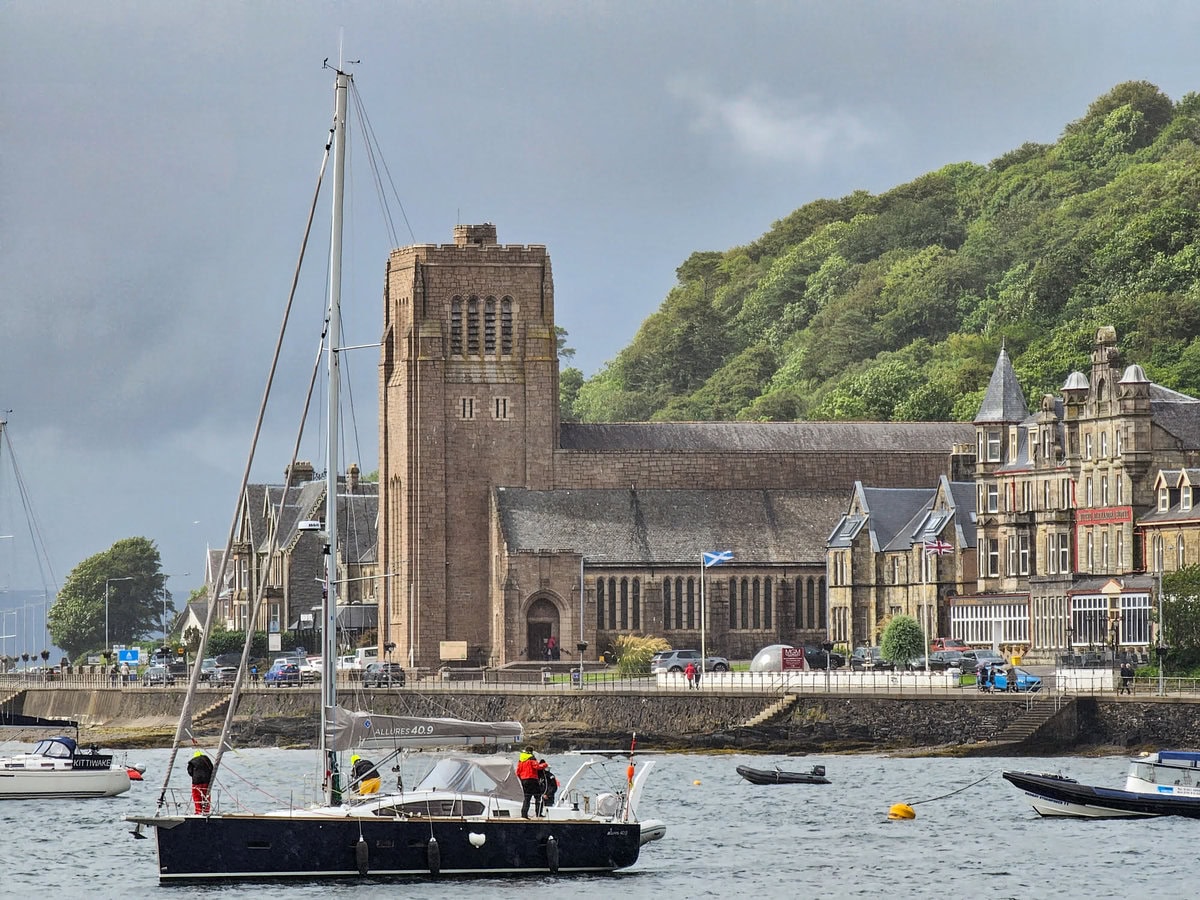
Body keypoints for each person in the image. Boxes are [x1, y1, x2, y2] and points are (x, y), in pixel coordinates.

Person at [516, 747, 548, 818]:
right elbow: (537, 767)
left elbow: (517, 772)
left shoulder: (521, 760)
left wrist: (522, 780)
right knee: (538, 796)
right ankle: (538, 813)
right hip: (532, 779)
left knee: (527, 798)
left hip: (524, 780)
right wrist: (545, 765)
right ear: (531, 751)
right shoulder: (531, 758)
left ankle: (524, 815)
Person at [187, 749, 214, 814]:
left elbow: (190, 772)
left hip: (197, 782)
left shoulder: (192, 761)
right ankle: (206, 811)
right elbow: (212, 768)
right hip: (206, 781)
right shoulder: (207, 760)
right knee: (206, 796)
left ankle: (198, 811)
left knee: (197, 797)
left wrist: (194, 775)